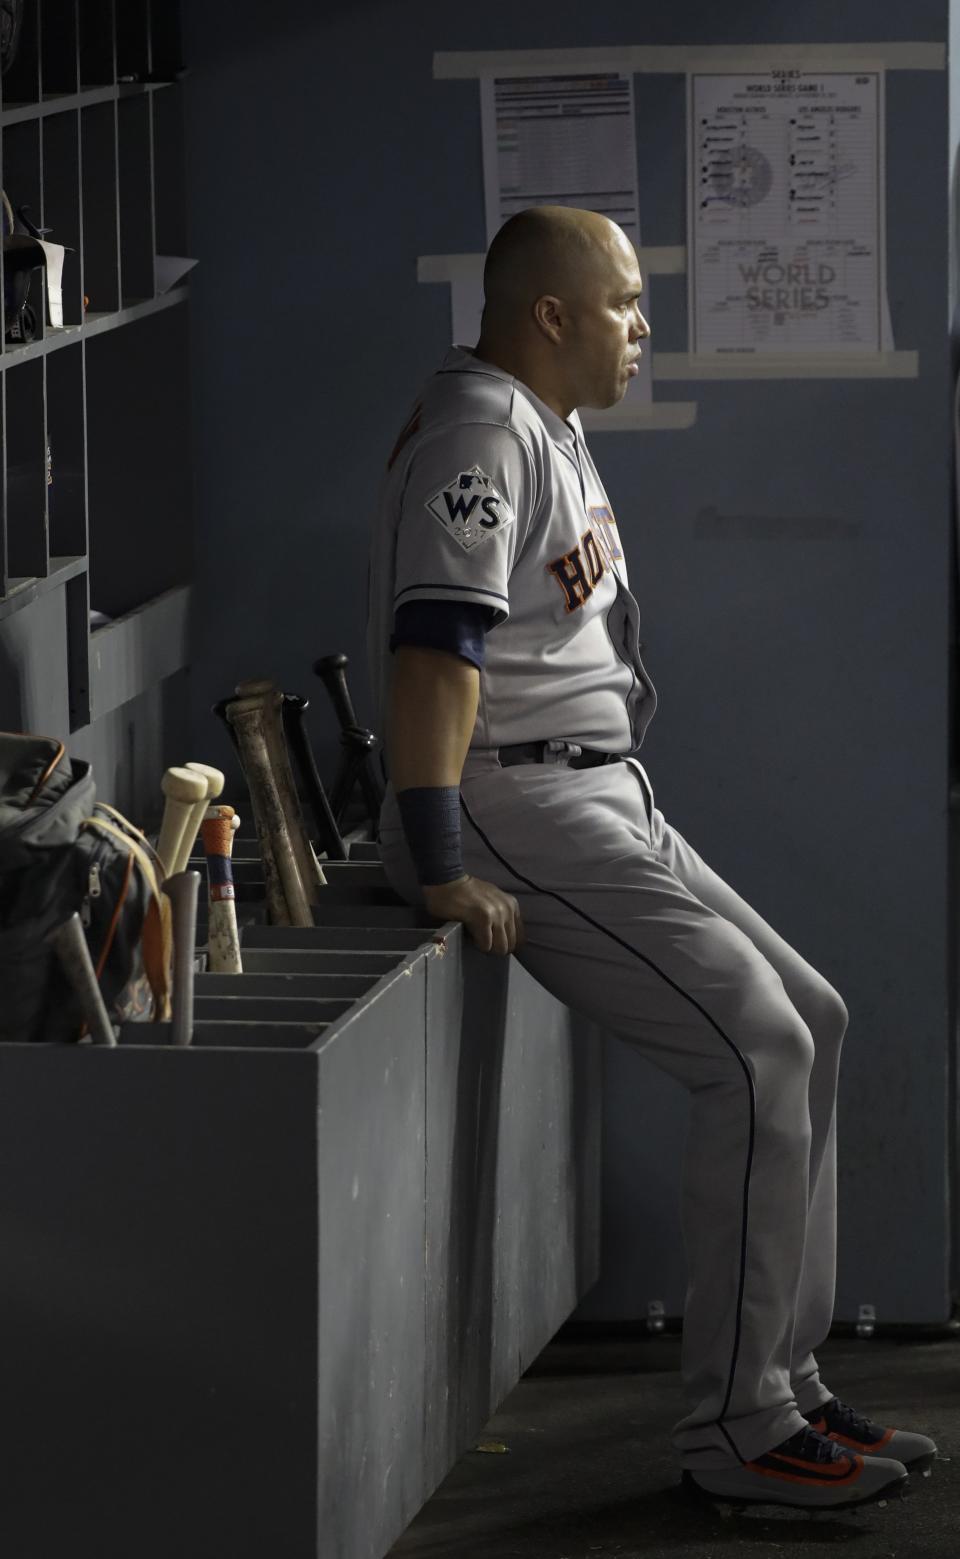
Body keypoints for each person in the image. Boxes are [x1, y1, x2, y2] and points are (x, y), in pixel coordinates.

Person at [365, 205, 937, 1511]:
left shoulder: (544, 425)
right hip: (523, 803)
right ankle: (733, 1429)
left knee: (816, 1019)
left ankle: (784, 1380)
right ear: (549, 315)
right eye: (623, 305)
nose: (643, 328)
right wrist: (440, 860)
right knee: (755, 1051)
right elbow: (429, 654)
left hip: (602, 794)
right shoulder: (481, 432)